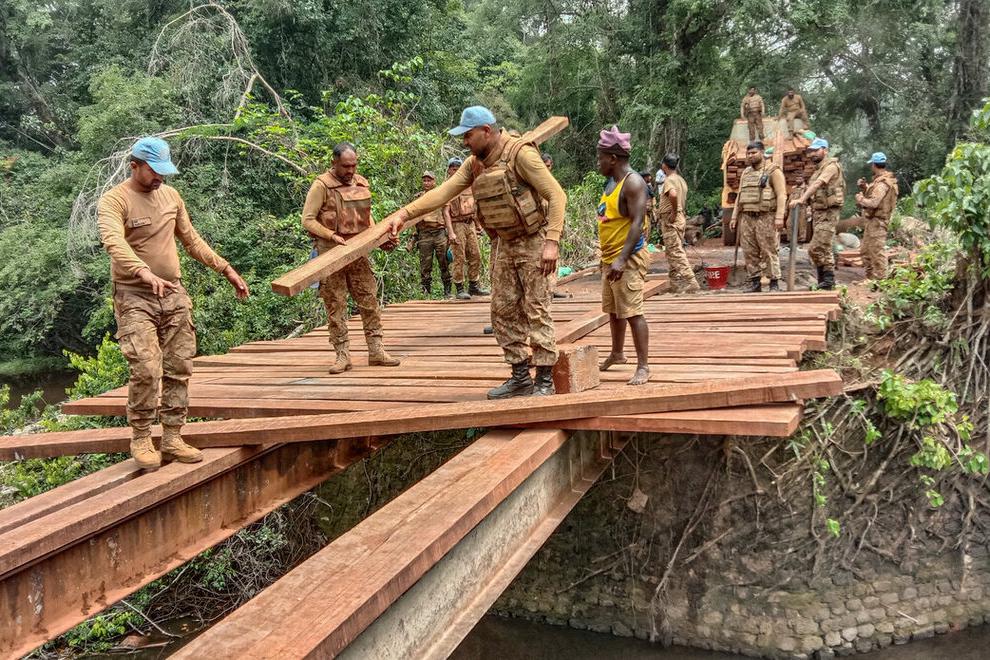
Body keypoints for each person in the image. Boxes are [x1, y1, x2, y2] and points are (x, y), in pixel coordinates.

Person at [384, 106, 566, 398]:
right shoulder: (474, 165)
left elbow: (556, 195)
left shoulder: (520, 154)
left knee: (537, 309)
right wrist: (403, 214)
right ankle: (520, 376)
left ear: (486, 131)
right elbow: (442, 193)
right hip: (504, 244)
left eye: (468, 135)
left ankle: (544, 380)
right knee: (503, 310)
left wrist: (552, 242)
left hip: (534, 241)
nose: (465, 142)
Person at [98, 137, 250, 470]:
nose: (160, 178)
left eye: (163, 171)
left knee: (179, 366)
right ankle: (141, 437)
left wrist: (226, 269)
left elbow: (192, 240)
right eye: (154, 171)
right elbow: (113, 243)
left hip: (173, 293)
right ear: (134, 165)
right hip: (134, 296)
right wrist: (143, 272)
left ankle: (171, 436)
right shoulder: (115, 200)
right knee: (146, 367)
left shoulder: (171, 196)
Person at [301, 142, 401, 373]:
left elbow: (367, 217)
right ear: (334, 162)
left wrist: (380, 238)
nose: (351, 170)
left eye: (354, 165)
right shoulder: (321, 185)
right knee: (335, 305)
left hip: (358, 252)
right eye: (346, 166)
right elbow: (307, 220)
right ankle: (342, 355)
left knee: (369, 300)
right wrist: (331, 235)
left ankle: (376, 350)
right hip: (330, 254)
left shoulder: (361, 183)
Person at [595, 127, 651, 385]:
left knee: (632, 311)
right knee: (614, 310)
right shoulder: (611, 183)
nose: (598, 162)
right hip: (610, 258)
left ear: (613, 158)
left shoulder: (633, 183)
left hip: (627, 258)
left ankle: (643, 366)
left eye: (601, 158)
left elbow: (638, 223)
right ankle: (617, 353)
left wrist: (621, 259)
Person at [730, 141, 787, 292]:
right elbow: (740, 195)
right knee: (749, 251)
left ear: (762, 153)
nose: (750, 156)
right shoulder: (746, 173)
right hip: (747, 217)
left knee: (768, 250)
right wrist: (734, 216)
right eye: (748, 153)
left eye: (754, 153)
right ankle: (755, 282)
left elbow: (782, 195)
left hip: (766, 216)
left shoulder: (773, 171)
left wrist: (779, 217)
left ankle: (774, 282)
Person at [790, 138, 845, 290]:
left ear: (825, 150)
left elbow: (817, 184)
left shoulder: (831, 167)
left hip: (829, 213)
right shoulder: (817, 169)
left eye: (816, 150)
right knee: (824, 249)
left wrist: (801, 199)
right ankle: (825, 282)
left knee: (815, 248)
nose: (812, 154)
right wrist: (809, 207)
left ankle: (828, 280)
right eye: (811, 151)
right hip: (818, 213)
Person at [443, 158, 488, 299]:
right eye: (453, 168)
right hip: (457, 225)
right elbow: (445, 212)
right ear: (449, 170)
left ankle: (474, 285)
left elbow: (474, 208)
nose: (456, 170)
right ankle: (459, 288)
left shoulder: (468, 185)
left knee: (475, 255)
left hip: (470, 224)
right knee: (459, 257)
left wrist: (479, 225)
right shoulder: (448, 187)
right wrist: (451, 232)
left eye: (458, 168)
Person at [656, 153, 701, 293]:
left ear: (664, 165)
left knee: (675, 251)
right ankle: (675, 283)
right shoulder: (680, 180)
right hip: (679, 218)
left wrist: (674, 213)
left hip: (671, 219)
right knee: (672, 250)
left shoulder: (669, 180)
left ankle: (691, 281)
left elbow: (673, 195)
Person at [409, 171, 454, 297]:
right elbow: (413, 217)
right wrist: (414, 235)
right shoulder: (418, 197)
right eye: (424, 180)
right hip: (424, 234)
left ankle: (447, 291)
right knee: (425, 264)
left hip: (439, 232)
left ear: (434, 181)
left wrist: (450, 232)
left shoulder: (440, 195)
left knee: (444, 262)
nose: (426, 183)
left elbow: (446, 213)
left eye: (429, 180)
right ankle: (425, 292)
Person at [855, 152, 899, 280]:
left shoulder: (882, 183)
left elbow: (874, 203)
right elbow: (877, 196)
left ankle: (881, 281)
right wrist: (865, 188)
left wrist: (860, 199)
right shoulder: (881, 181)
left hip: (878, 222)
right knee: (866, 251)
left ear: (874, 165)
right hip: (873, 221)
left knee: (877, 252)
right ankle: (870, 279)